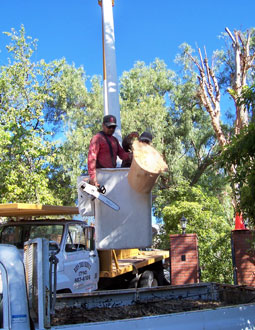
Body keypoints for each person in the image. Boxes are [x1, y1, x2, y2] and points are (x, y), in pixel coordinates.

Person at [87, 115, 132, 187]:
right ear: (103, 125)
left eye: (113, 127)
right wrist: (93, 177)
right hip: (101, 174)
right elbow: (92, 158)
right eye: (109, 127)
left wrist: (132, 155)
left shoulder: (114, 140)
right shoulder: (97, 138)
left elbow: (122, 154)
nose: (111, 129)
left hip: (111, 174)